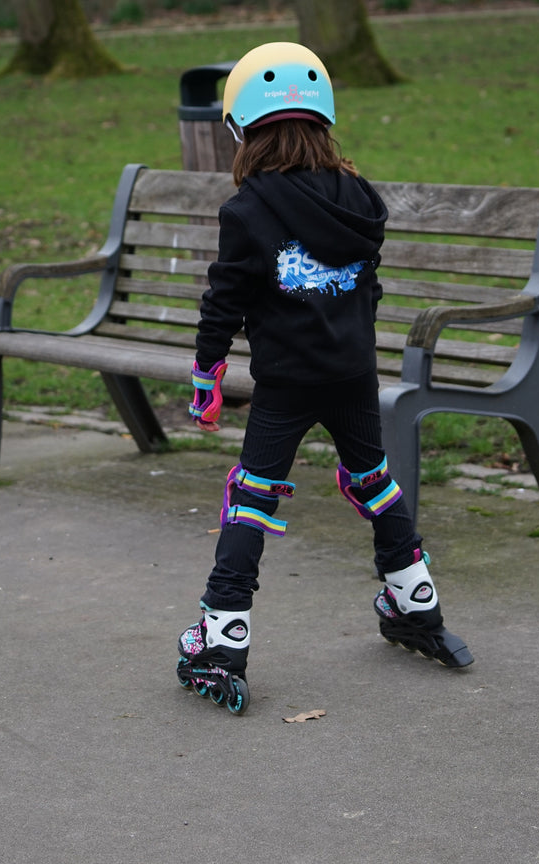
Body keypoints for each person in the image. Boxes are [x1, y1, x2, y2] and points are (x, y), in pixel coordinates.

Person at [174, 42, 473, 715]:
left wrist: (206, 378)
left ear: (241, 129)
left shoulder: (247, 210)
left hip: (286, 383)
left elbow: (223, 299)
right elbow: (368, 290)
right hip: (350, 376)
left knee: (251, 499)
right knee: (374, 482)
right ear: (323, 119)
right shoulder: (359, 197)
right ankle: (416, 602)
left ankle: (221, 642)